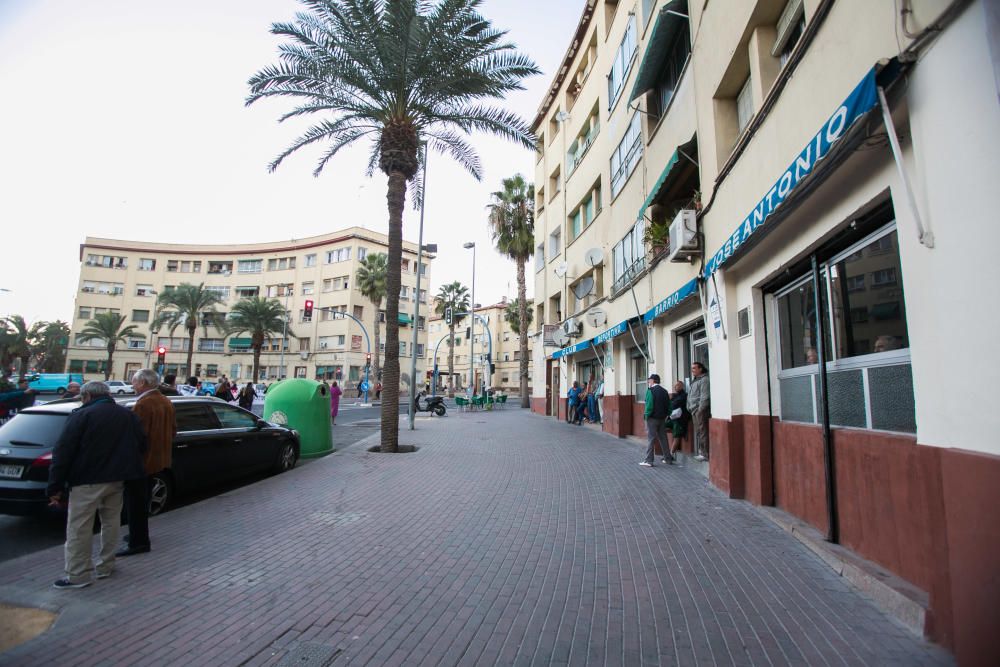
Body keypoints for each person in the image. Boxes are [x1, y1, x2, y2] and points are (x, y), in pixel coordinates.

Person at [47, 381, 146, 588]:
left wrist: (55, 487)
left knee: (79, 528)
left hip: (87, 480)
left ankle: (78, 574)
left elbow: (63, 452)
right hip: (117, 479)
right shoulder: (127, 415)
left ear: (87, 396)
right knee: (111, 522)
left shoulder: (82, 416)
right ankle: (106, 565)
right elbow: (142, 445)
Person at [119, 369, 175, 557]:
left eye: (134, 382)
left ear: (143, 383)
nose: (133, 386)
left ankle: (138, 540)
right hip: (159, 459)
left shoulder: (143, 404)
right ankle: (138, 535)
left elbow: (137, 435)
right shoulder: (165, 401)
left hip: (143, 462)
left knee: (135, 503)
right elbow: (173, 430)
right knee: (144, 501)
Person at [640, 374, 673, 467]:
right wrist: (667, 415)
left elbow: (649, 405)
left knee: (651, 439)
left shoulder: (650, 391)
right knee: (663, 438)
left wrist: (646, 416)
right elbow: (669, 405)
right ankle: (668, 459)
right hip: (662, 418)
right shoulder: (665, 391)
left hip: (652, 418)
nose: (648, 382)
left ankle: (649, 461)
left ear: (653, 381)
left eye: (649, 380)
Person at [689, 362, 711, 461]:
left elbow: (704, 396)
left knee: (702, 432)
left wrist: (700, 410)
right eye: (692, 368)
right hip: (693, 410)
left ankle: (705, 453)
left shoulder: (704, 380)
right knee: (699, 432)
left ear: (700, 369)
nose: (692, 370)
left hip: (700, 410)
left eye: (694, 368)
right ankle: (701, 451)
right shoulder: (695, 380)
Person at [666, 381, 689, 456]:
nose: (676, 387)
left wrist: (671, 404)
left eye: (678, 385)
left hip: (680, 420)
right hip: (672, 419)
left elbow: (674, 405)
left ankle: (671, 455)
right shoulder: (674, 395)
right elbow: (670, 404)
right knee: (659, 427)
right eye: (675, 385)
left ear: (682, 386)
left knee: (677, 437)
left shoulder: (684, 395)